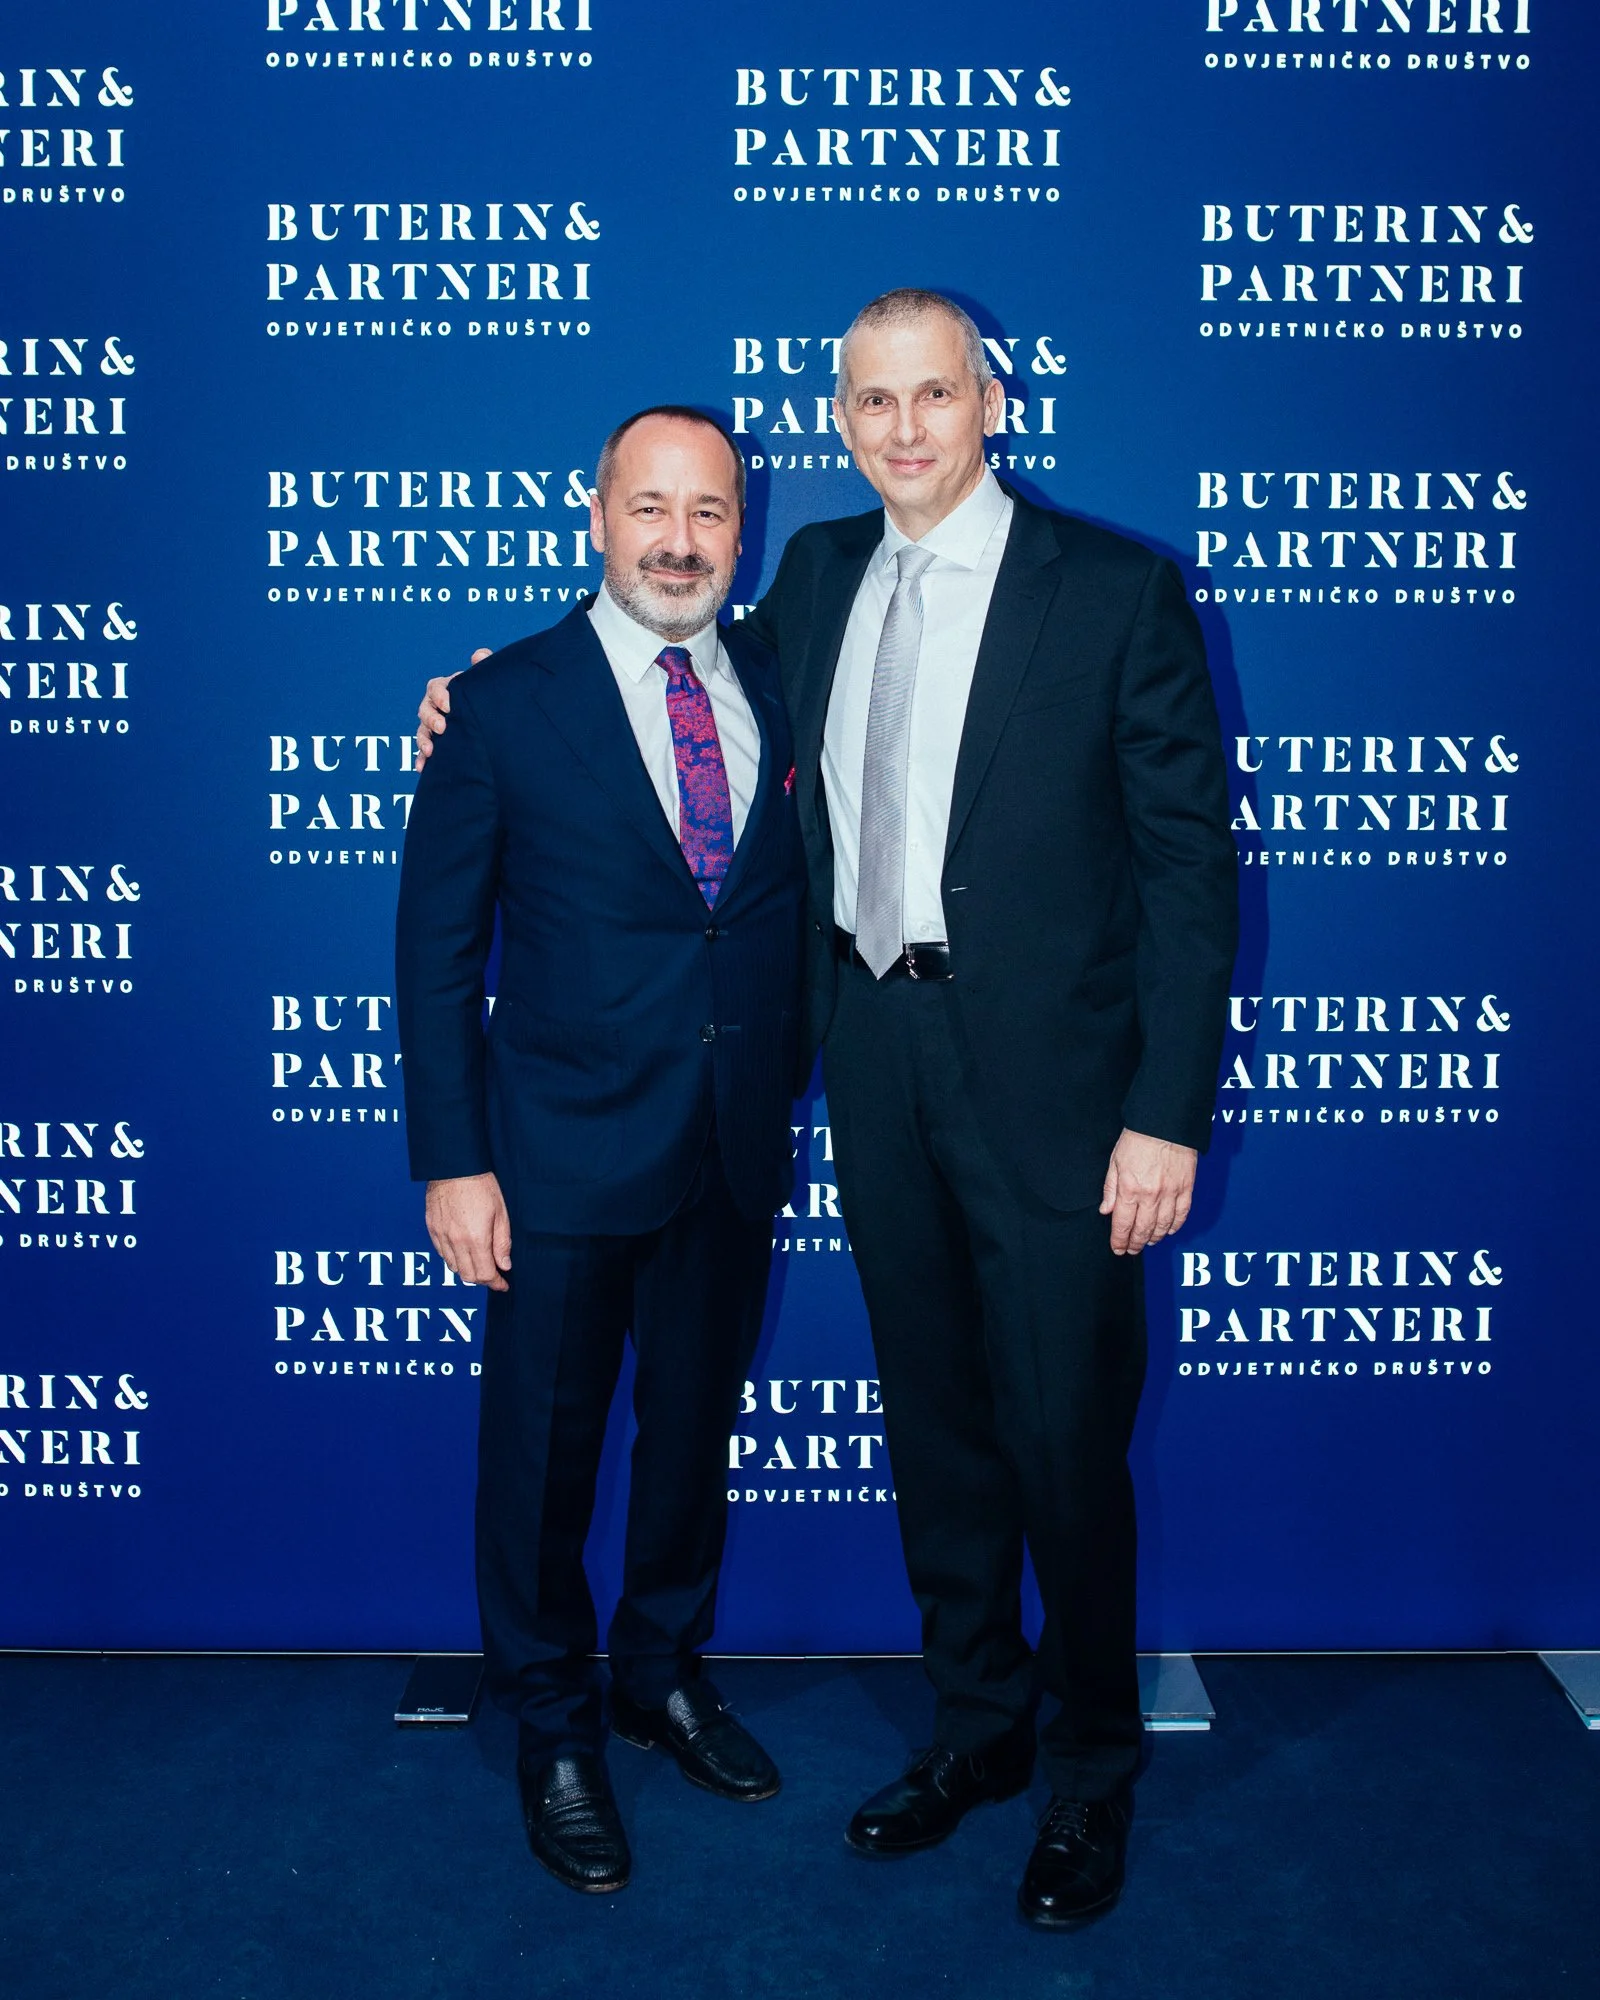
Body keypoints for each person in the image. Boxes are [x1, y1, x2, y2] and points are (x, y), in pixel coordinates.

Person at [417, 291, 1237, 1929]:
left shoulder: (1121, 593)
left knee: (1066, 1444)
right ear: (843, 422)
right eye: (875, 402)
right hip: (867, 1063)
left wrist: (1167, 1111)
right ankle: (979, 1733)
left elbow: (1188, 871)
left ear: (990, 399)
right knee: (936, 1433)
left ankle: (1086, 1772)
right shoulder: (814, 582)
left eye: (936, 395)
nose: (908, 428)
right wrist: (474, 689)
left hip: (1064, 1101)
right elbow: (646, 665)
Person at [395, 407, 806, 1896]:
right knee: (543, 1460)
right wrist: (454, 1160)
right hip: (553, 1155)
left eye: (709, 512)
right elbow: (435, 952)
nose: (680, 539)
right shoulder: (505, 702)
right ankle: (553, 1721)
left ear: (739, 532)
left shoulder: (776, 672)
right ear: (595, 517)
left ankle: (660, 1671)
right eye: (651, 507)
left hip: (730, 1142)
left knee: (691, 1435)